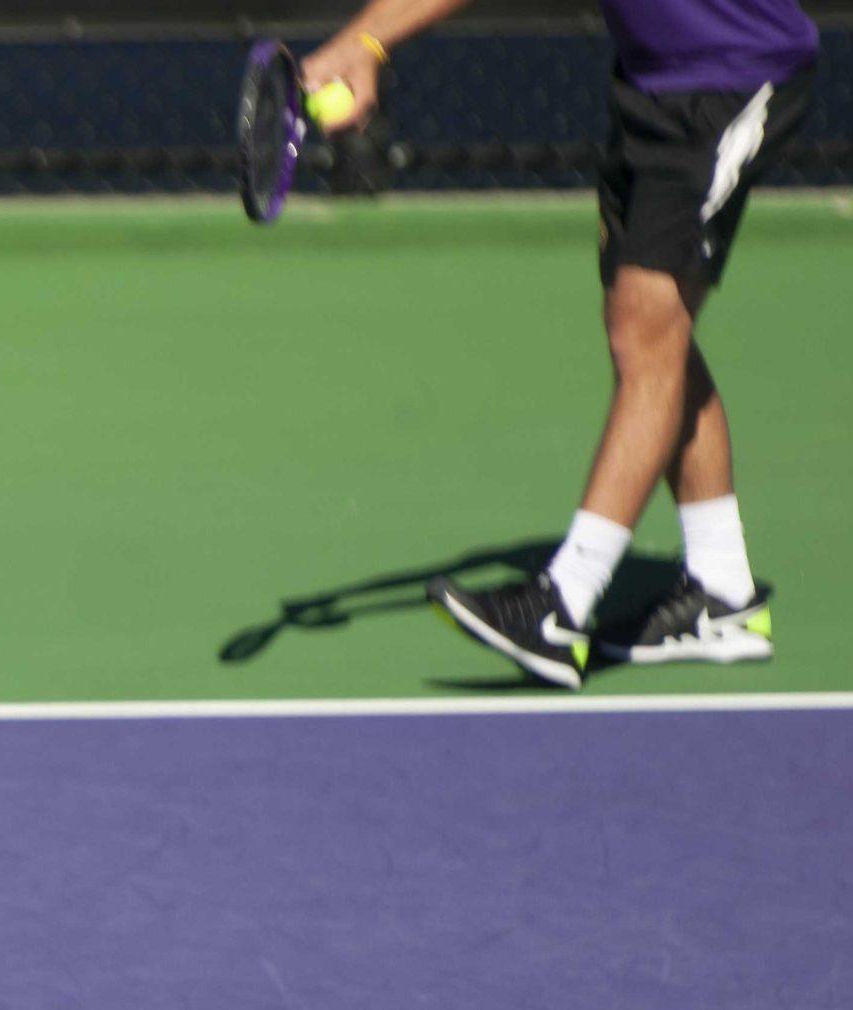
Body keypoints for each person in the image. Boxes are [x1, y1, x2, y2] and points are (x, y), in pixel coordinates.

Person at [297, 0, 814, 687]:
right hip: (653, 81)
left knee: (646, 331)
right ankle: (721, 595)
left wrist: (364, 42)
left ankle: (561, 602)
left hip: (735, 76)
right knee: (647, 331)